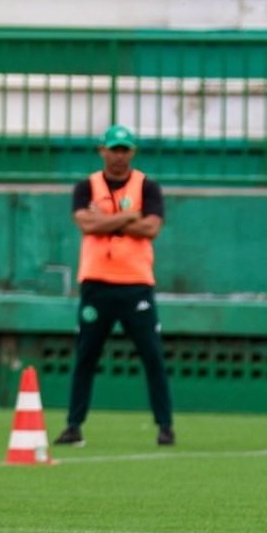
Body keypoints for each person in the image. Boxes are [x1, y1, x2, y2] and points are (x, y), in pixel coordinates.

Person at [55, 124, 175, 448]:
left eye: (124, 149)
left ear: (132, 152)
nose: (119, 155)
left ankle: (165, 426)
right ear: (102, 150)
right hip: (96, 283)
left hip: (136, 284)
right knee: (86, 356)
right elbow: (84, 223)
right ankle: (74, 424)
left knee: (152, 356)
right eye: (114, 149)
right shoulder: (86, 186)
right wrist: (127, 217)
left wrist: (104, 218)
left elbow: (150, 228)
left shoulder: (147, 186)